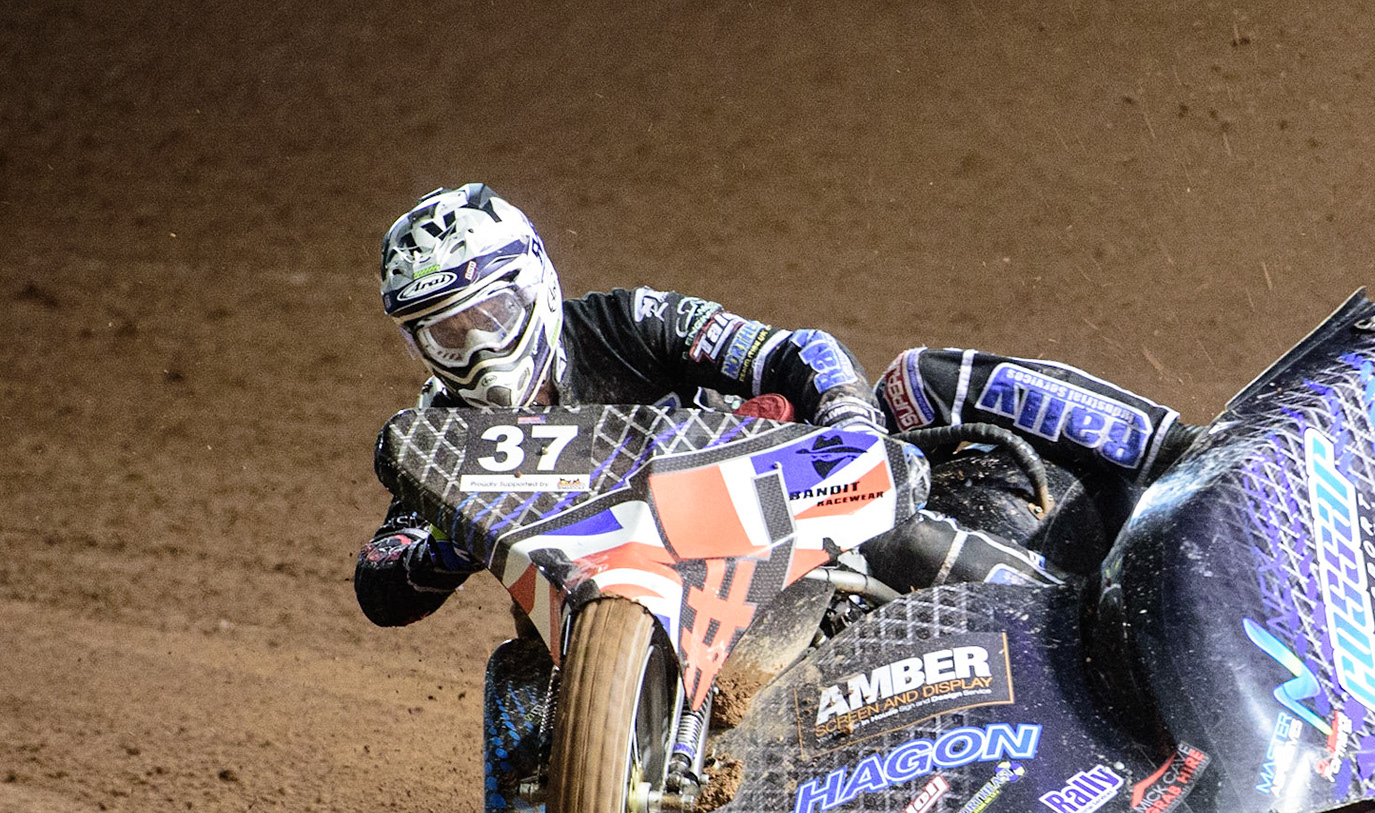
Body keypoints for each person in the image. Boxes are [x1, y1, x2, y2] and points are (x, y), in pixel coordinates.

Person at [355, 182, 1198, 630]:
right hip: (627, 627)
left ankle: (1183, 459)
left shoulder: (626, 320)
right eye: (443, 335)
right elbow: (380, 580)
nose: (476, 351)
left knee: (916, 379)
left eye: (490, 317)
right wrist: (455, 532)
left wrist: (849, 424)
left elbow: (794, 350)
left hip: (781, 528)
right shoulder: (441, 441)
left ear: (534, 291)